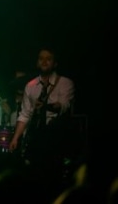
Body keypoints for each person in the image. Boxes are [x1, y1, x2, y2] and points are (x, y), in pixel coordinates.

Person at [8, 48, 75, 182]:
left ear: (55, 63)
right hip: (36, 139)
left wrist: (47, 106)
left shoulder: (65, 83)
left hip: (56, 140)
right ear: (37, 62)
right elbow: (25, 114)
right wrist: (15, 138)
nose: (44, 61)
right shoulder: (31, 86)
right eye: (41, 58)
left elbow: (64, 105)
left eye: (48, 58)